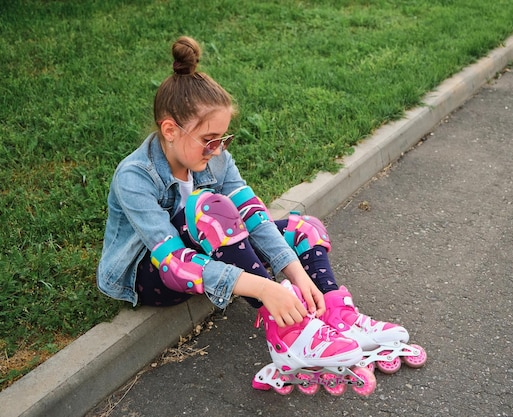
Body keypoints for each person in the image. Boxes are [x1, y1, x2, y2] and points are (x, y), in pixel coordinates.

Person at [97, 36, 422, 394]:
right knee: (210, 210)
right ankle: (291, 335)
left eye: (223, 139)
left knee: (303, 228)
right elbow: (174, 261)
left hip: (203, 251)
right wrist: (267, 288)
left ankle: (331, 314)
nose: (218, 149)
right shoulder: (135, 177)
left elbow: (253, 213)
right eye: (209, 140)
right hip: (152, 275)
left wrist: (297, 277)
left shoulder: (214, 158)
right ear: (170, 130)